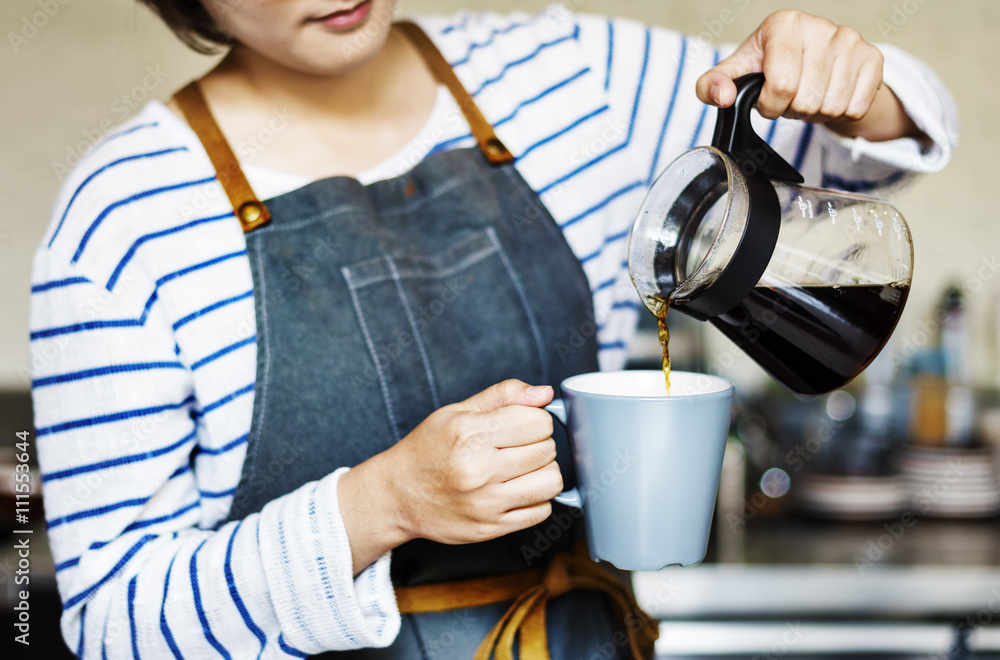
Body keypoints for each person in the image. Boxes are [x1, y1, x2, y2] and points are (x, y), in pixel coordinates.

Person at [29, 0, 957, 657]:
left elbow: (861, 156)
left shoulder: (571, 82)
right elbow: (114, 623)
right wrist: (379, 505)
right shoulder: (126, 216)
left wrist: (847, 77)